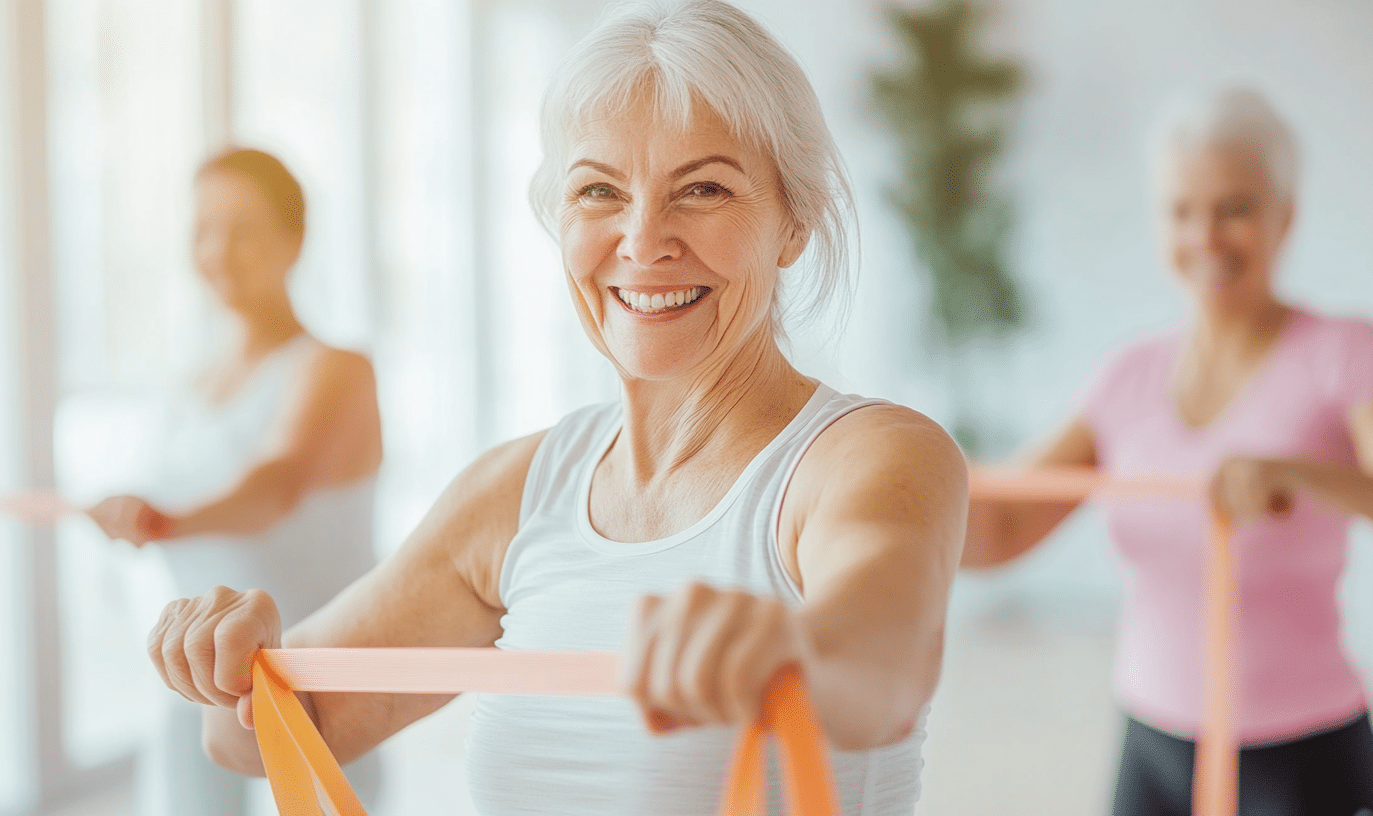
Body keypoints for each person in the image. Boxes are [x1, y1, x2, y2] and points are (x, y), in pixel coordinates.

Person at [142, 2, 969, 815]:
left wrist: (798, 648)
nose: (644, 242)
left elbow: (885, 662)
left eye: (704, 188)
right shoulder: (519, 489)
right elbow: (261, 735)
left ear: (794, 223)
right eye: (600, 193)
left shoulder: (871, 457)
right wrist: (227, 660)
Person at [962, 86, 1373, 816]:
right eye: (1182, 211)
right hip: (1152, 747)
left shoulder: (1347, 354)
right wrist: (900, 487)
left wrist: (1303, 474)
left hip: (1305, 760)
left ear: (1284, 216)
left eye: (1235, 208)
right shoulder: (1128, 376)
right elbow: (999, 529)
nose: (1207, 236)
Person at [87, 147, 384, 816]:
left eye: (243, 229)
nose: (220, 250)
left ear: (294, 239)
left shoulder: (336, 368)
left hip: (315, 683)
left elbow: (274, 486)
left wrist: (159, 518)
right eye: (202, 230)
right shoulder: (186, 384)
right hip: (193, 685)